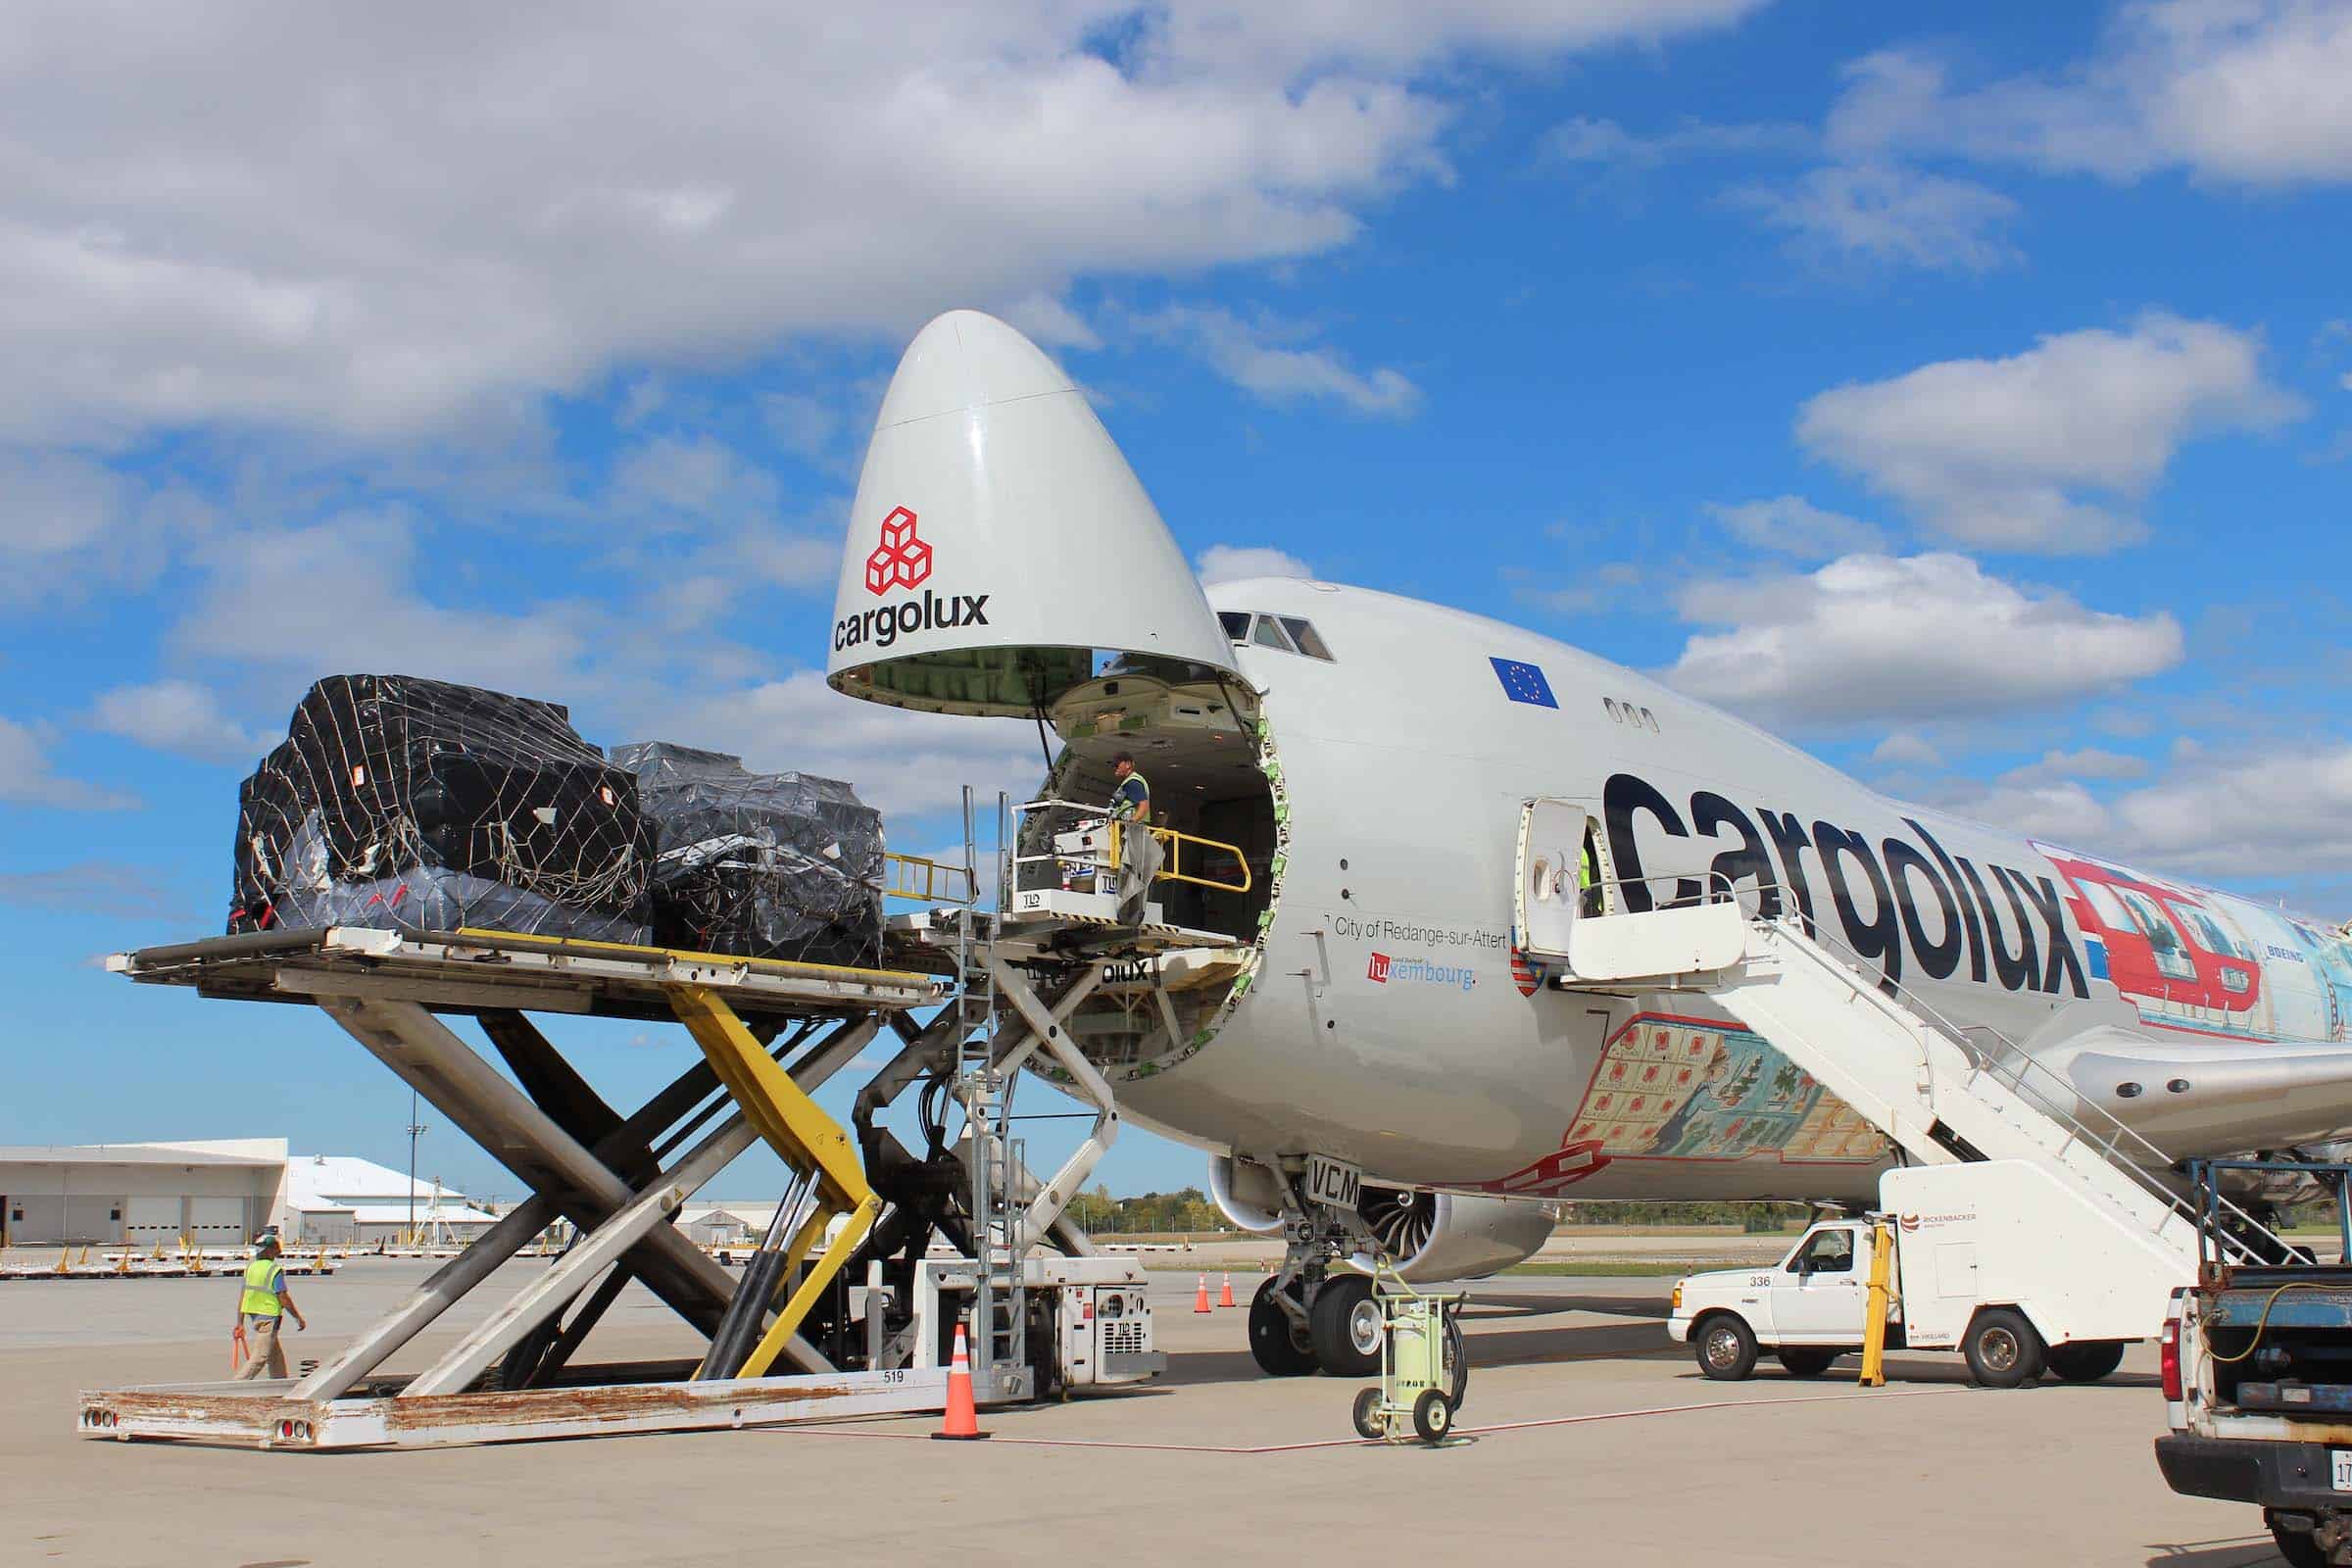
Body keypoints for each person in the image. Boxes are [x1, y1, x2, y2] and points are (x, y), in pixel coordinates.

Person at [231, 1231, 307, 1380]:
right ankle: (234, 1387)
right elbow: (283, 1297)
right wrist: (298, 1318)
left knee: (275, 1356)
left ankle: (280, 1384)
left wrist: (240, 1322)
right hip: (269, 1317)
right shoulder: (273, 1269)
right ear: (270, 1250)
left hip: (255, 1316)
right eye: (276, 1247)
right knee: (260, 1356)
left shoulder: (251, 1268)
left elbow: (243, 1296)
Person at [1107, 753, 1151, 826]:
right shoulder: (1128, 782)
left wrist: (1131, 823)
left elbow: (1143, 805)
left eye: (1116, 765)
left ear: (1128, 765)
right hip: (1125, 828)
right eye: (1113, 766)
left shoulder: (1132, 782)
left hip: (1130, 830)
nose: (1114, 768)